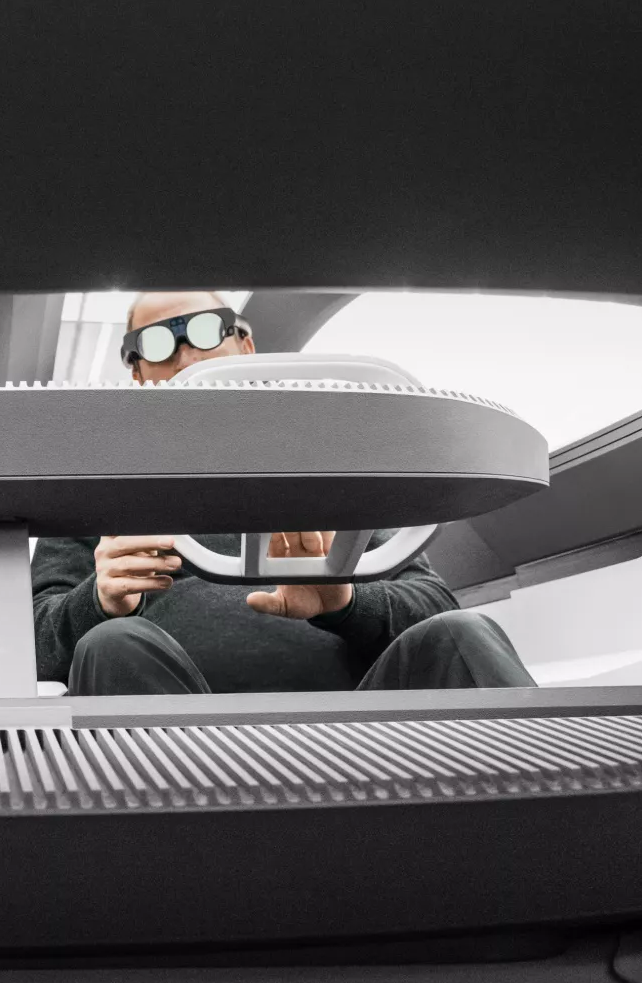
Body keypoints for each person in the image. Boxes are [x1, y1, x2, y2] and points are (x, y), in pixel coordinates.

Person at [33, 290, 534, 697]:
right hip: (176, 739)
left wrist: (345, 600)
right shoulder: (97, 488)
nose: (186, 354)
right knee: (113, 641)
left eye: (206, 329)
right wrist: (98, 602)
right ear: (138, 373)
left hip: (362, 732)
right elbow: (28, 644)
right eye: (157, 342)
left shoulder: (333, 467)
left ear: (245, 348)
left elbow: (434, 606)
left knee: (464, 633)